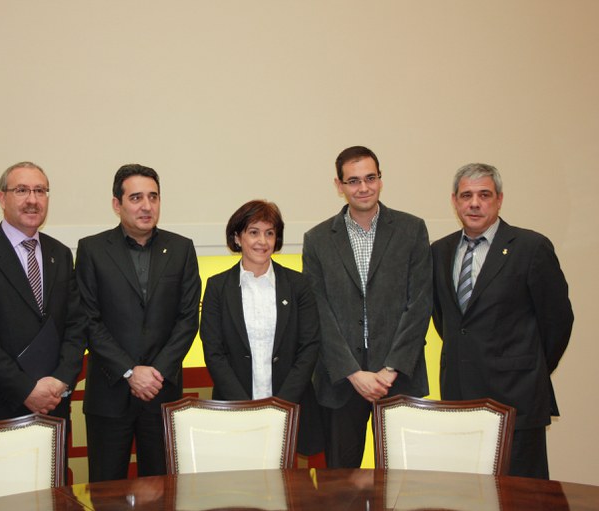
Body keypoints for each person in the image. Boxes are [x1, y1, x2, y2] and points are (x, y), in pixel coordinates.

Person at [431, 163, 573, 479]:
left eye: (484, 195)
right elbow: (447, 321)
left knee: (521, 496)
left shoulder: (531, 247)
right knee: (465, 493)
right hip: (459, 399)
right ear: (454, 201)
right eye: (466, 195)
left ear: (499, 199)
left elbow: (557, 320)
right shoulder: (439, 252)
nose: (474, 203)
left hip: (516, 399)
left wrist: (527, 367)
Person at [302, 145, 432, 468]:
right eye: (353, 180)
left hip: (399, 380)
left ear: (380, 179)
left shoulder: (412, 230)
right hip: (342, 383)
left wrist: (390, 369)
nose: (363, 187)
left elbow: (419, 304)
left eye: (370, 178)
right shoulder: (317, 239)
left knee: (403, 482)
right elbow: (319, 312)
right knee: (341, 484)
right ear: (339, 185)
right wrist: (353, 373)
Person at [75, 163, 201, 482]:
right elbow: (89, 320)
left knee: (163, 491)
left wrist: (155, 373)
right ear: (117, 204)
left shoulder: (181, 249)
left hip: (162, 392)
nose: (147, 206)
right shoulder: (92, 249)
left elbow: (187, 319)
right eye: (136, 198)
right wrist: (130, 372)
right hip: (109, 393)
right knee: (105, 491)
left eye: (153, 197)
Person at [0, 162, 85, 432]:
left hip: (54, 403)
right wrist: (26, 389)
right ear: (2, 198)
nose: (32, 200)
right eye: (22, 190)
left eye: (40, 191)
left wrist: (60, 380)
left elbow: (76, 324)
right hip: (1, 405)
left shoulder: (60, 254)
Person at [199, 199, 321, 454]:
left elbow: (309, 347)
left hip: (291, 408)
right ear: (237, 237)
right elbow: (214, 352)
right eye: (253, 232)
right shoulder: (217, 287)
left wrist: (281, 405)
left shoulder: (298, 285)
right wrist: (246, 408)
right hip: (234, 410)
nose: (262, 241)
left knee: (290, 479)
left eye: (269, 233)